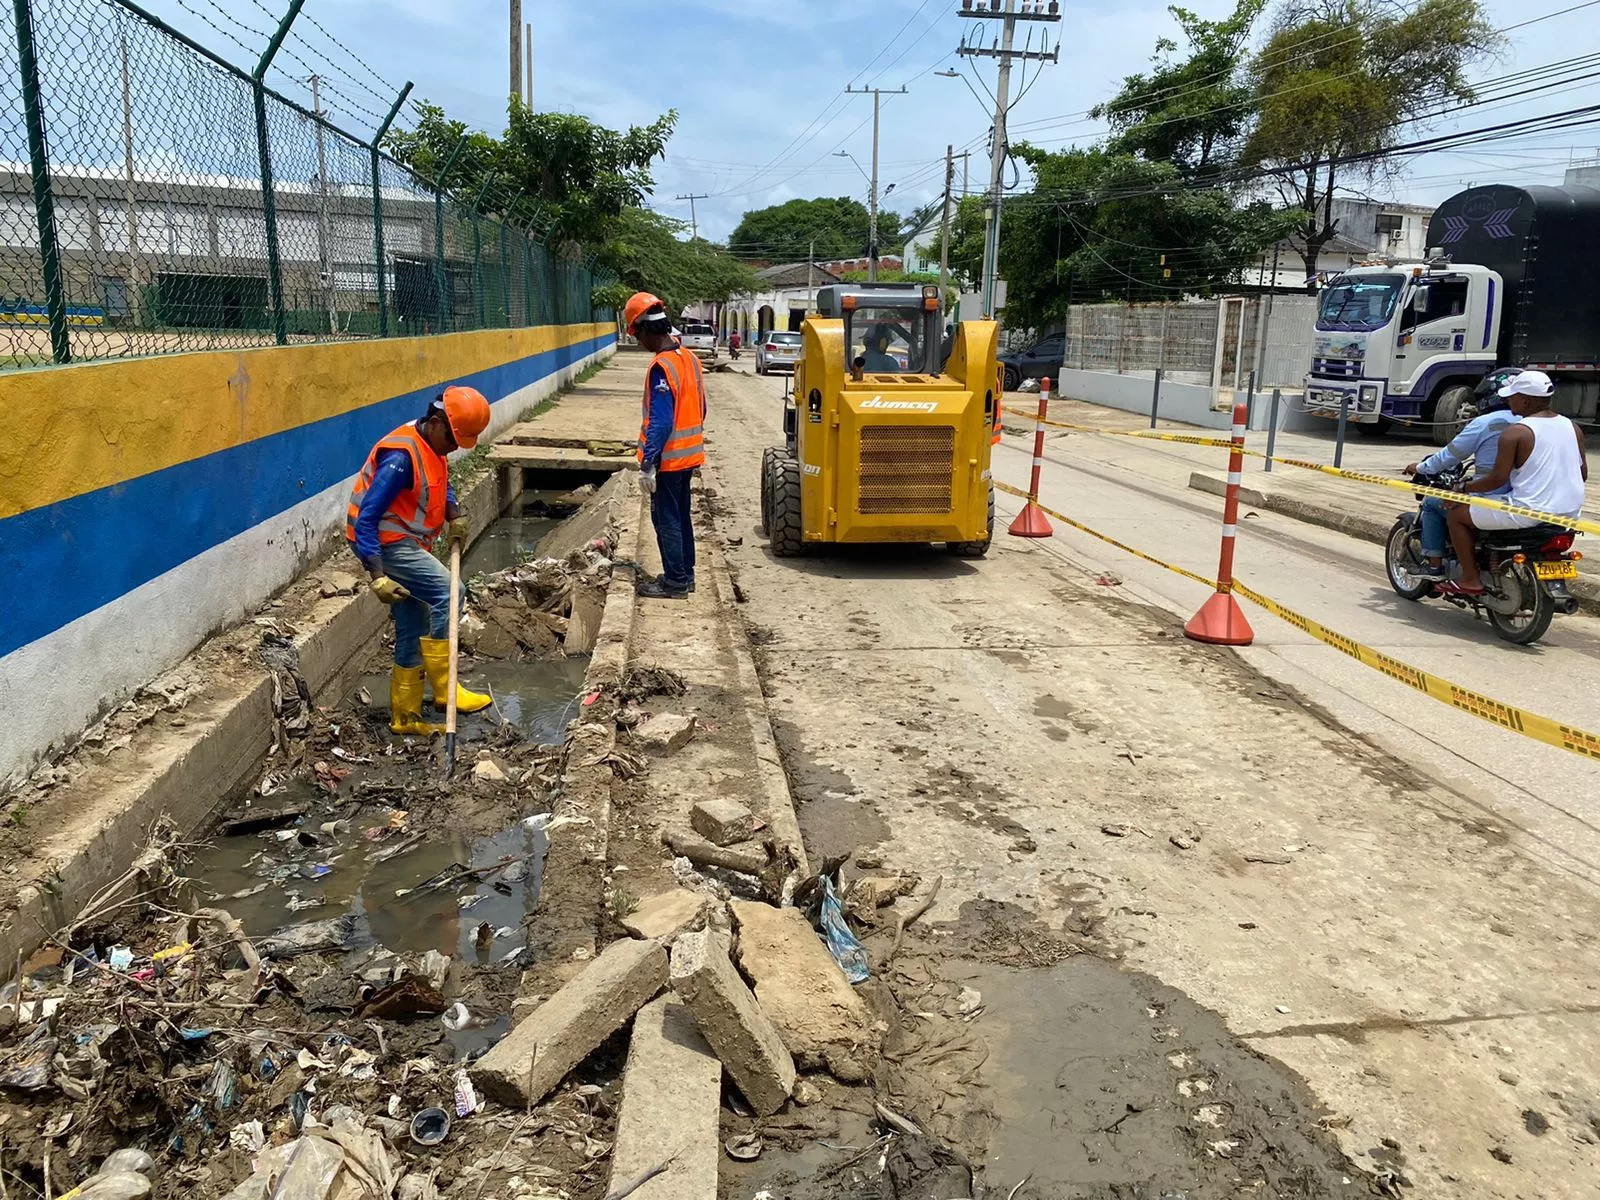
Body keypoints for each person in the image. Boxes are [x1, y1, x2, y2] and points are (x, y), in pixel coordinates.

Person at [346, 385, 494, 734]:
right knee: (450, 592)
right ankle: (446, 691)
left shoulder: (432, 443)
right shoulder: (400, 459)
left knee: (414, 621)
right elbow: (367, 518)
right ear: (436, 421)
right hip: (385, 545)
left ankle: (405, 716)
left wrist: (453, 514)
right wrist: (377, 575)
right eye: (453, 438)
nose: (455, 447)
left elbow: (441, 481)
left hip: (408, 543)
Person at [1443, 370, 1588, 596]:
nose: (1507, 400)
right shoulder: (1573, 427)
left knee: (1456, 515)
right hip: (1568, 514)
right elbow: (1583, 474)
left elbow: (1496, 480)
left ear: (1526, 400)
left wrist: (1462, 488)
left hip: (1528, 512)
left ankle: (1470, 579)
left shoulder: (1516, 432)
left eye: (1512, 395)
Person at [625, 291, 706, 600]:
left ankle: (674, 582)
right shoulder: (689, 359)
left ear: (645, 330)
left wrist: (648, 464)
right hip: (690, 455)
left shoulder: (662, 366)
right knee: (682, 515)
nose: (639, 343)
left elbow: (660, 422)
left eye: (637, 336)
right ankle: (686, 574)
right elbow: (702, 407)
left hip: (669, 459)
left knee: (666, 518)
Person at [1402, 371, 1518, 581]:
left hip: (1489, 496)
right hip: (1527, 497)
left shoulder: (1485, 423)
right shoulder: (1536, 423)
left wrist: (1420, 468)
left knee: (1432, 502)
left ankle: (1435, 566)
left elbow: (1449, 456)